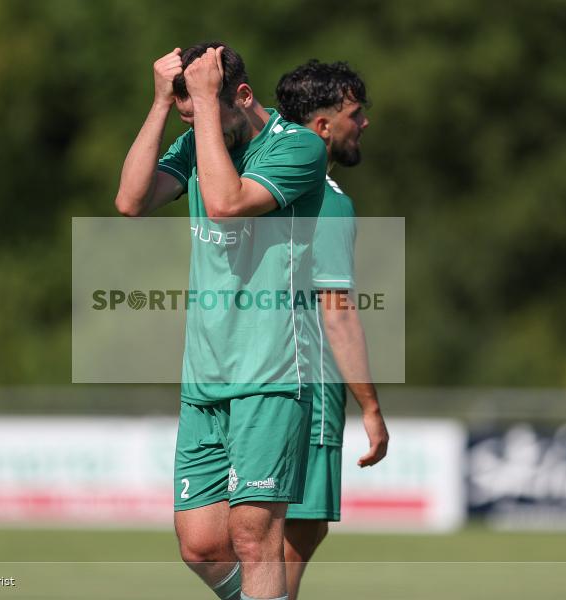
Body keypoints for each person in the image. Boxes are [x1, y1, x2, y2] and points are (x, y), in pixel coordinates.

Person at [115, 43, 327, 600]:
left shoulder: (299, 147)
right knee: (201, 544)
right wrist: (164, 105)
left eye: (206, 108)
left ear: (242, 95)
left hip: (271, 369)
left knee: (254, 537)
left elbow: (226, 203)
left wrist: (204, 107)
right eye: (189, 115)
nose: (197, 123)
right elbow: (130, 201)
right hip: (206, 373)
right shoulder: (197, 139)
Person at [275, 60, 390, 600]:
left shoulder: (255, 183)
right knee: (295, 535)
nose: (363, 123)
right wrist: (370, 408)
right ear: (322, 127)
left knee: (257, 535)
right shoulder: (329, 201)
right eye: (354, 113)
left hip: (239, 374)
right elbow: (337, 311)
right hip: (308, 385)